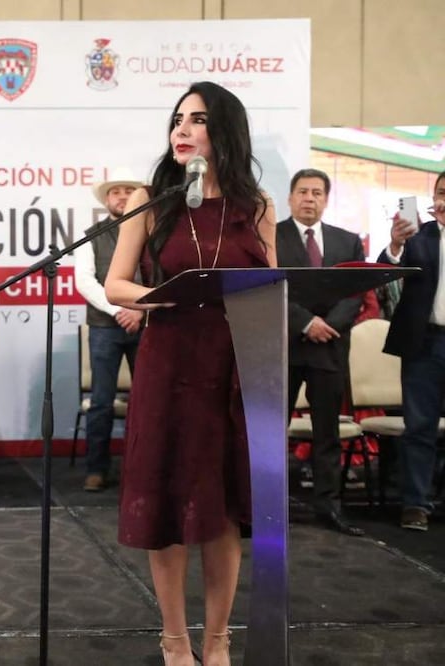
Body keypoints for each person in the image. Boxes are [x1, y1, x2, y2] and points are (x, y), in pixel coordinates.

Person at [105, 81, 277, 666]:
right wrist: (168, 294)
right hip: (170, 362)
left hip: (234, 368)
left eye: (197, 120)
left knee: (224, 508)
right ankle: (175, 640)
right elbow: (116, 284)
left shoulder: (257, 207)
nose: (181, 129)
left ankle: (219, 638)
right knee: (169, 503)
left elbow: (271, 288)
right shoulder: (151, 200)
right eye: (178, 119)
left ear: (224, 130)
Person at [276, 168, 366, 537]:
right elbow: (269, 283)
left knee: (327, 432)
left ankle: (329, 507)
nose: (309, 198)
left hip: (329, 347)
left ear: (326, 199)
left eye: (316, 192)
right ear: (290, 197)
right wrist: (305, 323)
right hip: (284, 345)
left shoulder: (347, 242)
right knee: (272, 430)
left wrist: (328, 325)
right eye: (302, 192)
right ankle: (268, 505)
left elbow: (356, 290)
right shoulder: (271, 236)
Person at [377, 169, 445, 532]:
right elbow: (385, 273)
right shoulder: (420, 237)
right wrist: (395, 244)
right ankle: (416, 504)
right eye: (441, 192)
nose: (444, 199)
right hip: (425, 344)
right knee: (419, 426)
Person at [73, 168, 144, 492]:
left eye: (129, 190)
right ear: (106, 199)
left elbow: (160, 274)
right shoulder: (91, 234)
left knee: (148, 402)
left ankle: (142, 471)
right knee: (101, 401)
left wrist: (139, 312)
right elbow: (85, 281)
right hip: (105, 327)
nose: (123, 196)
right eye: (116, 192)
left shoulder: (153, 231)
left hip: (147, 325)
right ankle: (96, 469)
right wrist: (120, 310)